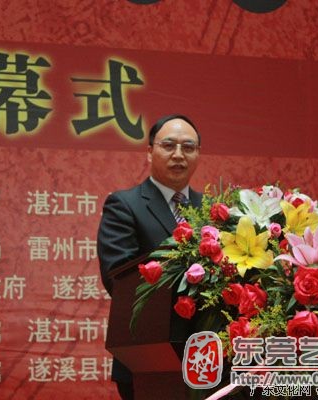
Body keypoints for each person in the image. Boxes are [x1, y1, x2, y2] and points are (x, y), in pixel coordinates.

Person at [97, 114, 202, 400]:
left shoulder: (213, 209)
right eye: (168, 145)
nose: (178, 154)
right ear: (149, 151)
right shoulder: (125, 205)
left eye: (188, 147)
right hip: (150, 356)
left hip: (208, 355)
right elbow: (119, 276)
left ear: (198, 154)